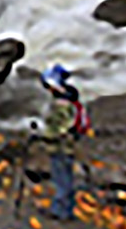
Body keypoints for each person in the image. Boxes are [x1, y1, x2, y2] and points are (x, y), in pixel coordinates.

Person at [37, 64, 90, 220]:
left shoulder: (62, 105)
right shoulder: (70, 99)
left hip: (61, 146)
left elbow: (59, 127)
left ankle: (61, 211)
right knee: (63, 175)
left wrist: (43, 133)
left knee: (62, 177)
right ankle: (65, 208)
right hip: (67, 144)